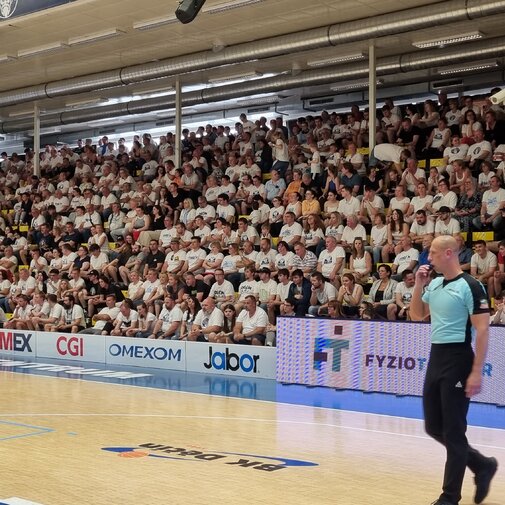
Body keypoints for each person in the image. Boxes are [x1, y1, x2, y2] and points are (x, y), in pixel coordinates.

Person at [410, 236, 497, 505]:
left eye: (433, 253)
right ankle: (482, 464)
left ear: (449, 253)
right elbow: (416, 315)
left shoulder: (471, 286)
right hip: (436, 357)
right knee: (434, 427)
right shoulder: (435, 283)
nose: (428, 258)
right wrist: (418, 284)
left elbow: (483, 330)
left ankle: (449, 498)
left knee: (454, 431)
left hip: (458, 359)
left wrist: (476, 371)